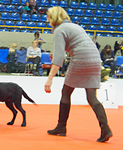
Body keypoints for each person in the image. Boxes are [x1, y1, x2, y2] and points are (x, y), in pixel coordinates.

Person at [44, 6, 112, 142]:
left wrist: (50, 78)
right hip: (95, 59)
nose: (47, 20)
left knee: (66, 92)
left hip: (81, 59)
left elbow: (58, 57)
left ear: (53, 18)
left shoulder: (59, 30)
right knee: (91, 97)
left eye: (48, 17)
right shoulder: (75, 26)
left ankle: (61, 127)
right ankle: (106, 129)